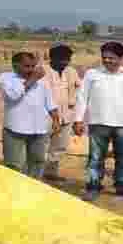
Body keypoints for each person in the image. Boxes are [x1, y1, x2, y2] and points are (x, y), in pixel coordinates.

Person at [73, 42, 123, 201]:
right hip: (98, 122)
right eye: (104, 57)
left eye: (111, 58)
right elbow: (82, 98)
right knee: (95, 157)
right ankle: (93, 186)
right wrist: (78, 120)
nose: (107, 60)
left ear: (121, 58)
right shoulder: (92, 74)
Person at [0, 52, 61, 179]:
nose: (31, 69)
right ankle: (14, 193)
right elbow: (14, 95)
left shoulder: (41, 82)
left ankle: (33, 191)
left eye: (33, 66)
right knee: (14, 165)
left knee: (37, 162)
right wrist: (33, 79)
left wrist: (55, 120)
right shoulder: (6, 78)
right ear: (15, 66)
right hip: (15, 129)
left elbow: (50, 103)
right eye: (27, 66)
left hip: (39, 129)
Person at [41, 43, 79, 182]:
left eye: (67, 59)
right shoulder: (42, 71)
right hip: (47, 115)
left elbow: (77, 90)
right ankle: (36, 172)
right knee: (42, 144)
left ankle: (51, 172)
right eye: (61, 59)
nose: (65, 62)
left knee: (60, 145)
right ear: (52, 58)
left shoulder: (71, 72)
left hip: (67, 114)